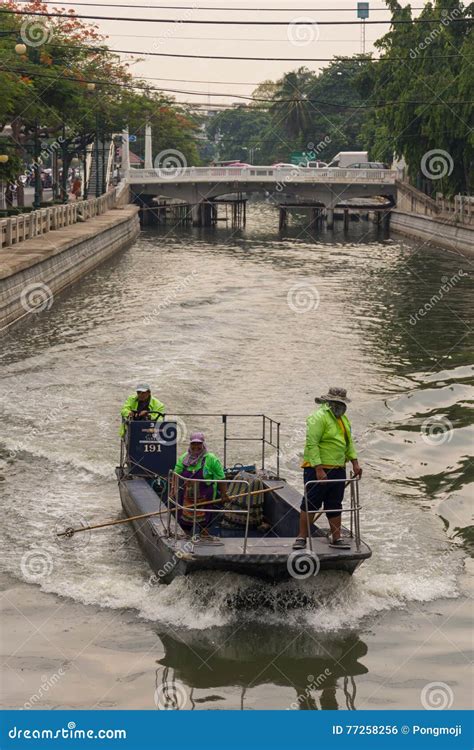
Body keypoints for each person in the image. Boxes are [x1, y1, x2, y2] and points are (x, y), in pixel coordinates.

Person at [293, 386, 362, 550]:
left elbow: (348, 443)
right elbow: (312, 443)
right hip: (317, 468)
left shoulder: (343, 420)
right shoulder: (318, 417)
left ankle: (336, 537)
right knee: (311, 503)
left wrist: (355, 463)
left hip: (338, 468)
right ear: (329, 402)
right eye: (337, 403)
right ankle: (301, 537)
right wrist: (318, 469)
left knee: (335, 503)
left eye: (343, 404)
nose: (340, 406)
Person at [173, 432, 228, 531]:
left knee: (204, 524)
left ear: (203, 444)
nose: (196, 446)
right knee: (185, 525)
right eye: (193, 443)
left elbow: (221, 478)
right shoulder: (184, 458)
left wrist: (224, 494)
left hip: (205, 500)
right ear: (190, 444)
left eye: (199, 444)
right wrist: (173, 489)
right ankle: (185, 537)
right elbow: (175, 475)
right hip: (188, 500)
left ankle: (204, 536)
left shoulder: (211, 459)